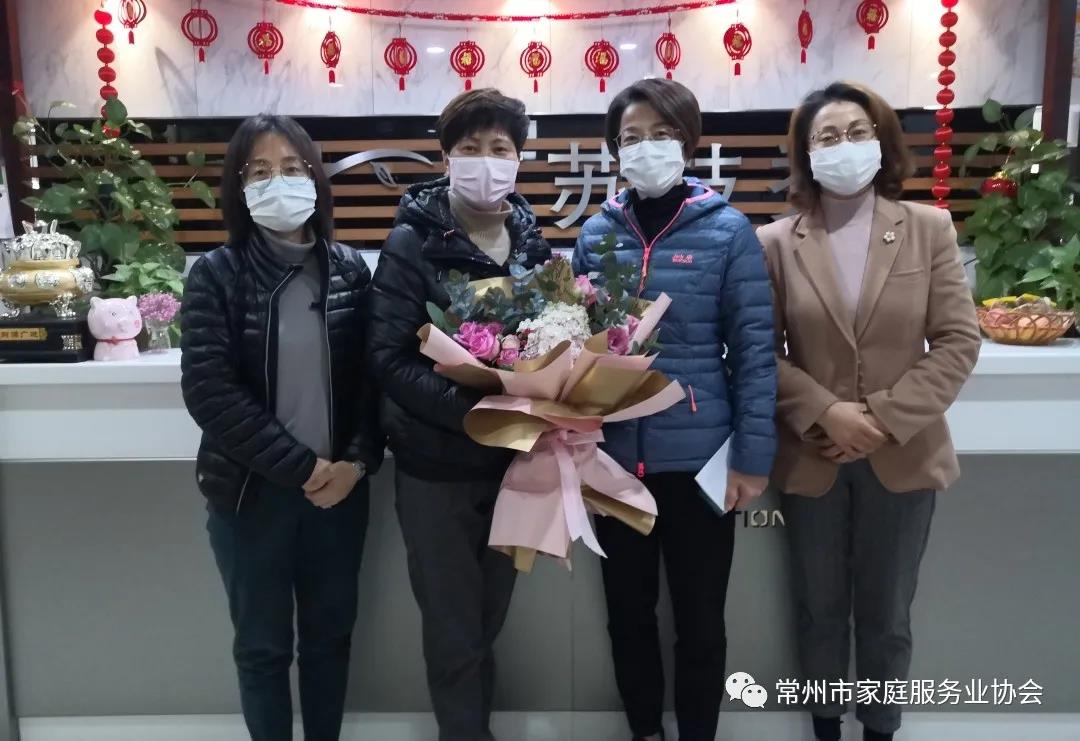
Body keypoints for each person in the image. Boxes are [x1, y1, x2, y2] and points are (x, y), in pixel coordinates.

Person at [757, 82, 981, 741]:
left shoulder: (928, 228)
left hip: (902, 455)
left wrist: (879, 419)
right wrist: (827, 412)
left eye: (858, 132)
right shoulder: (776, 242)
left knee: (887, 616)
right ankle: (825, 730)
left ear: (881, 141)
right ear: (806, 154)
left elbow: (958, 340)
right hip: (813, 455)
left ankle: (881, 730)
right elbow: (759, 351)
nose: (844, 146)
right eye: (827, 137)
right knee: (818, 612)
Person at [572, 78, 777, 741]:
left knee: (700, 621)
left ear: (688, 143)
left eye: (661, 134)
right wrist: (574, 447)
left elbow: (755, 351)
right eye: (631, 137)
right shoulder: (596, 233)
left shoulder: (728, 231)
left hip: (701, 463)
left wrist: (752, 457)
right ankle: (645, 731)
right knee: (627, 616)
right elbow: (573, 349)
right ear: (614, 152)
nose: (647, 148)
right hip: (613, 464)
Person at [180, 114, 383, 741]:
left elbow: (373, 383)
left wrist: (356, 463)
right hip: (251, 495)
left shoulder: (349, 271)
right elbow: (209, 391)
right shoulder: (216, 274)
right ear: (238, 187)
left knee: (329, 640)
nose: (280, 182)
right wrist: (301, 468)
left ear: (316, 179)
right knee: (262, 648)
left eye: (293, 168)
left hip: (339, 495)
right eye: (261, 171)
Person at [367, 88, 551, 741]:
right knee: (453, 632)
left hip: (516, 468)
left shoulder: (531, 242)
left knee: (487, 620)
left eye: (500, 148)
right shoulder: (411, 241)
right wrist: (477, 413)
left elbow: (556, 343)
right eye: (470, 148)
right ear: (446, 157)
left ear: (518, 159)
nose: (485, 161)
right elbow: (388, 358)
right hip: (436, 470)